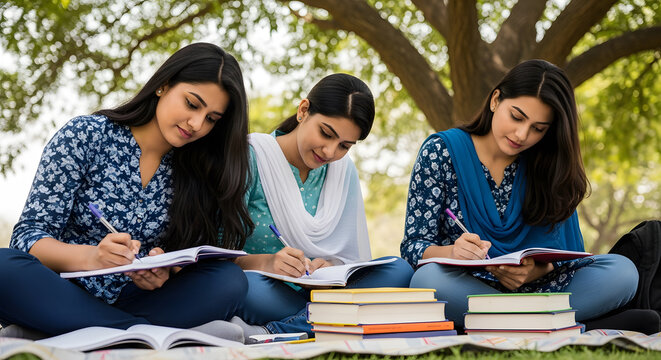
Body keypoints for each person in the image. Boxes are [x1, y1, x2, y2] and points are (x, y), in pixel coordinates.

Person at [0, 43, 252, 338]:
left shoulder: (196, 171)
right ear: (163, 85)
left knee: (229, 280)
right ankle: (141, 335)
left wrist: (163, 271)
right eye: (192, 104)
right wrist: (93, 257)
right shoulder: (86, 135)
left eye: (211, 119)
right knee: (4, 268)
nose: (196, 124)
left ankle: (79, 333)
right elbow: (28, 237)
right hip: (61, 290)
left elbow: (186, 259)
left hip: (138, 299)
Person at [402, 59, 638, 328]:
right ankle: (543, 321)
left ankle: (506, 321)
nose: (522, 134)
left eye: (538, 128)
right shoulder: (441, 152)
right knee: (427, 280)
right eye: (517, 116)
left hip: (540, 289)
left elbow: (568, 259)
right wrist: (454, 253)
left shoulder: (549, 166)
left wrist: (536, 270)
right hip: (468, 288)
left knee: (623, 272)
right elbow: (413, 247)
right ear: (495, 100)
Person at [231, 73, 414, 336]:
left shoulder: (343, 172)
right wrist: (267, 263)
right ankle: (335, 321)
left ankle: (273, 330)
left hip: (327, 295)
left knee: (398, 270)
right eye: (325, 133)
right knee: (238, 286)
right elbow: (217, 256)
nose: (329, 152)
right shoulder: (252, 157)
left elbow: (351, 259)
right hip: (268, 291)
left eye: (344, 146)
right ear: (303, 110)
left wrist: (332, 267)